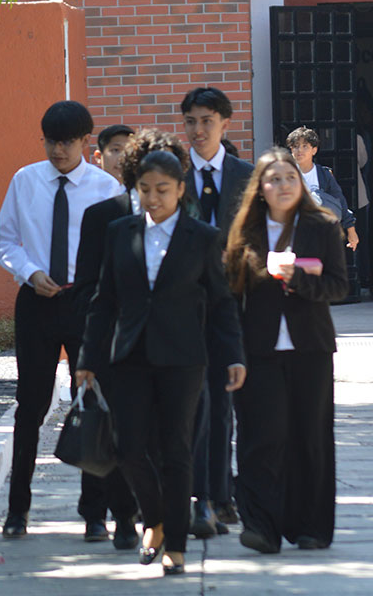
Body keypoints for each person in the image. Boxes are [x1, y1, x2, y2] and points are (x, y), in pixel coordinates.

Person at [76, 150, 245, 576]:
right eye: (145, 190)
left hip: (183, 359)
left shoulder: (203, 237)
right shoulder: (120, 232)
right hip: (129, 356)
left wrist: (232, 356)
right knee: (127, 448)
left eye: (162, 190)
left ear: (180, 190)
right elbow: (103, 300)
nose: (153, 199)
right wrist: (88, 358)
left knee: (176, 451)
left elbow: (222, 304)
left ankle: (177, 546)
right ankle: (154, 519)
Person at [0, 100, 120, 538]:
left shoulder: (106, 188)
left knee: (92, 401)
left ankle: (95, 513)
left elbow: (115, 251)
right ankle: (18, 510)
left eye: (67, 142)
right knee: (29, 405)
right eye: (50, 141)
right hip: (37, 302)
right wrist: (29, 272)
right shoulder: (26, 180)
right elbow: (5, 240)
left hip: (86, 304)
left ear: (86, 141)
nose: (58, 150)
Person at [226, 147, 348, 554]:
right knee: (263, 436)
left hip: (310, 348)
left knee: (310, 437)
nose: (283, 185)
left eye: (290, 178)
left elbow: (338, 286)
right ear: (260, 188)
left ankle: (312, 527)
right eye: (274, 179)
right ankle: (261, 526)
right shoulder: (246, 231)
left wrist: (298, 279)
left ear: (302, 184)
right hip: (259, 349)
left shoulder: (323, 227)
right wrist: (230, 351)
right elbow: (231, 296)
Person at [73, 128, 189, 547]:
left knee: (166, 441)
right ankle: (120, 516)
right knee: (121, 437)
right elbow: (89, 288)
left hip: (173, 349)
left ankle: (160, 520)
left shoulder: (187, 220)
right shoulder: (104, 217)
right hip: (118, 345)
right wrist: (94, 347)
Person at [181, 86, 254, 536]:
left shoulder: (247, 176)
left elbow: (261, 236)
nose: (198, 130)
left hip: (234, 303)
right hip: (185, 306)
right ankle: (201, 495)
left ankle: (224, 494)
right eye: (190, 121)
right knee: (195, 404)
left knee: (226, 399)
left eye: (207, 121)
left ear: (225, 123)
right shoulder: (175, 173)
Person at [286, 126, 358, 251]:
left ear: (314, 150)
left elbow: (339, 201)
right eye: (295, 146)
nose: (299, 150)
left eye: (305, 146)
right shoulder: (286, 175)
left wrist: (351, 230)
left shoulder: (324, 175)